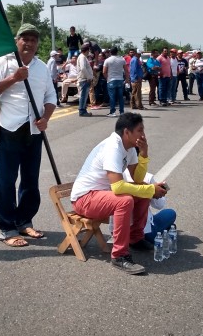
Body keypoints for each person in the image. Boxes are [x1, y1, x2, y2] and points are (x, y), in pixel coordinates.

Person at [0, 23, 56, 246]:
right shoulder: (3, 63)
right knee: (5, 181)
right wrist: (14, 78)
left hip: (33, 131)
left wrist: (45, 118)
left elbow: (51, 97)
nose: (29, 43)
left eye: (33, 40)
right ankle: (7, 228)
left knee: (30, 180)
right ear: (16, 41)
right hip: (10, 129)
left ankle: (25, 221)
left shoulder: (42, 67)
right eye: (25, 38)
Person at [69, 112, 168, 274]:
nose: (143, 135)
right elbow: (118, 187)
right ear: (127, 132)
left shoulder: (128, 148)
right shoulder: (113, 147)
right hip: (84, 199)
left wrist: (143, 155)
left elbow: (137, 179)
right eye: (140, 130)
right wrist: (150, 189)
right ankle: (119, 255)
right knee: (126, 200)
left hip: (100, 195)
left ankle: (135, 239)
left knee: (142, 192)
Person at [103, 47, 126, 117]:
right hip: (120, 80)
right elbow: (126, 71)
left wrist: (107, 78)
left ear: (110, 52)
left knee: (112, 97)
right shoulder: (122, 60)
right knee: (120, 97)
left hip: (111, 80)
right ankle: (121, 111)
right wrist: (127, 79)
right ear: (117, 52)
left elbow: (104, 71)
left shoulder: (107, 60)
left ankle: (112, 112)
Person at [76, 43, 94, 117]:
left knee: (84, 96)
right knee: (83, 96)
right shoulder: (82, 57)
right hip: (84, 79)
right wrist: (88, 77)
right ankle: (82, 111)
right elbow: (83, 68)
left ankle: (83, 109)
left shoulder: (82, 57)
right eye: (88, 50)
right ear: (86, 50)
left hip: (84, 79)